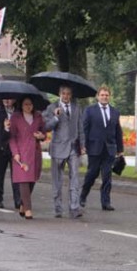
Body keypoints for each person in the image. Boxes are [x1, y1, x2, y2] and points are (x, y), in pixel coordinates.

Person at [44, 85, 86, 218]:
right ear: (59, 94)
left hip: (73, 147)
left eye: (68, 94)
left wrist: (83, 145)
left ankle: (74, 208)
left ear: (71, 95)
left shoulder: (76, 108)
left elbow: (80, 128)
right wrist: (55, 117)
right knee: (57, 180)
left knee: (75, 178)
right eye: (63, 93)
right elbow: (46, 127)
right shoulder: (52, 107)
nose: (66, 96)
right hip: (58, 148)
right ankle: (58, 208)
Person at [80, 86, 124, 211]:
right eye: (102, 95)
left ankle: (106, 202)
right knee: (92, 174)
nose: (104, 97)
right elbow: (85, 129)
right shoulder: (90, 110)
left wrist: (120, 149)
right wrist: (83, 145)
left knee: (107, 176)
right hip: (94, 148)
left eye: (107, 95)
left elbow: (118, 131)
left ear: (109, 96)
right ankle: (83, 196)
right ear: (97, 96)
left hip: (109, 149)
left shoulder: (115, 112)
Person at [9, 97, 47, 219]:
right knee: (24, 180)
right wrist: (15, 152)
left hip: (34, 152)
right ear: (21, 105)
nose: (28, 106)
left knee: (32, 180)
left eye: (30, 104)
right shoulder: (15, 117)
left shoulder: (38, 116)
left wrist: (41, 136)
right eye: (25, 104)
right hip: (21, 152)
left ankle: (22, 204)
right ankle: (28, 209)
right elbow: (12, 137)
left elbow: (44, 133)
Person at [0, 98, 21, 209]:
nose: (6, 101)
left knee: (16, 175)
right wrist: (4, 128)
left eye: (9, 99)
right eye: (4, 98)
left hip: (15, 147)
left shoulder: (18, 112)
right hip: (2, 147)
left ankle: (17, 200)